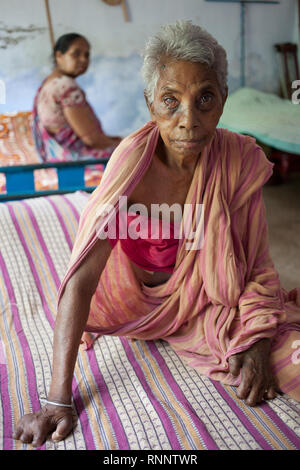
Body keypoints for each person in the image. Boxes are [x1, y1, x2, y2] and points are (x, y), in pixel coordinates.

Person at [13, 21, 300, 447]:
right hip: (134, 302)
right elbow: (81, 281)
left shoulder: (239, 158)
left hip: (206, 298)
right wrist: (57, 400)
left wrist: (256, 338)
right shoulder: (132, 166)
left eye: (205, 98)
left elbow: (256, 260)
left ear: (223, 101)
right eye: (171, 101)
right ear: (151, 104)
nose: (189, 120)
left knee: (285, 350)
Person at [33, 33, 121, 162]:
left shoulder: (47, 85)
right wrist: (125, 145)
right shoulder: (66, 87)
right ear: (59, 56)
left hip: (56, 161)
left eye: (87, 55)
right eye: (76, 54)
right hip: (78, 163)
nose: (84, 60)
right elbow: (91, 139)